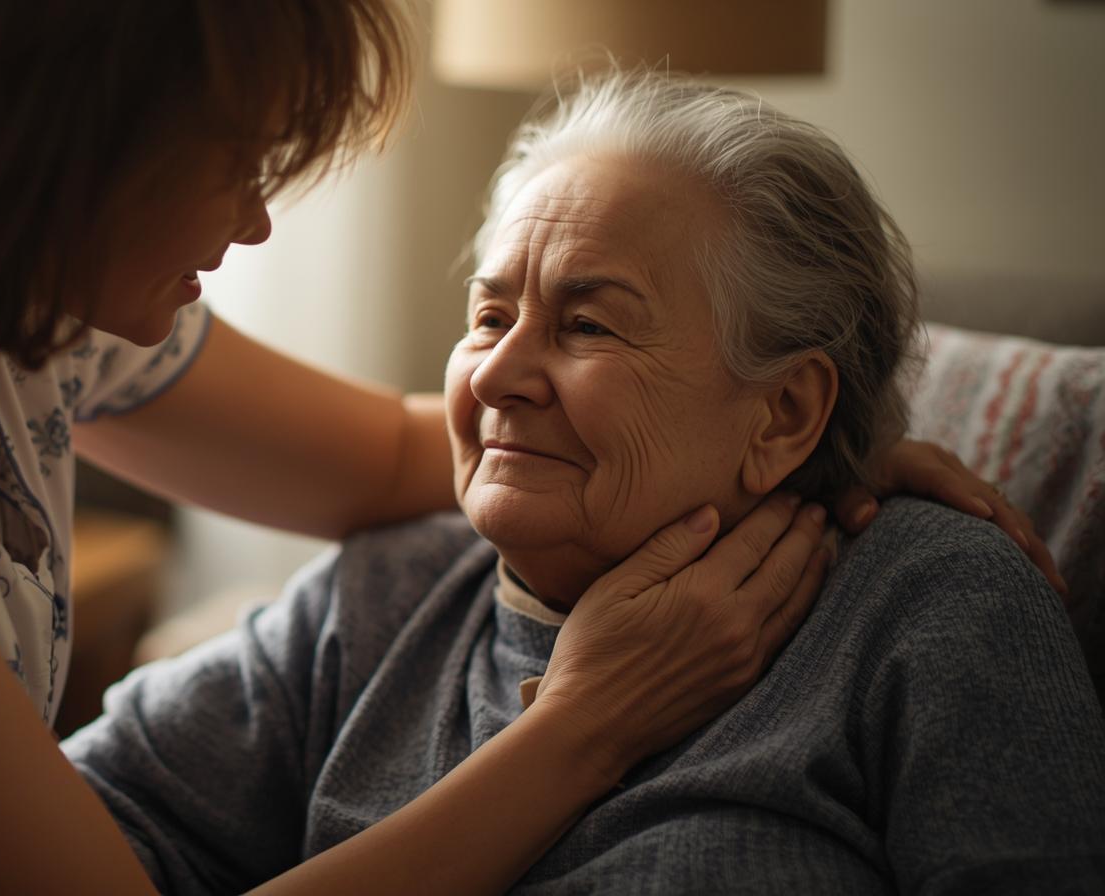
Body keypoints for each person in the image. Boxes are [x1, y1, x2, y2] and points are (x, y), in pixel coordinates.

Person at [0, 3, 1057, 893]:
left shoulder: (28, 298)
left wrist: (832, 457)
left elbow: (400, 455)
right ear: (63, 157)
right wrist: (582, 722)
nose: (254, 219)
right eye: (232, 163)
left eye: (585, 319)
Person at [62, 69, 1105, 894]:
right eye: (486, 316)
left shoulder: (932, 603)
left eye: (587, 324)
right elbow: (66, 837)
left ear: (784, 411)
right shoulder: (374, 598)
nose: (499, 373)